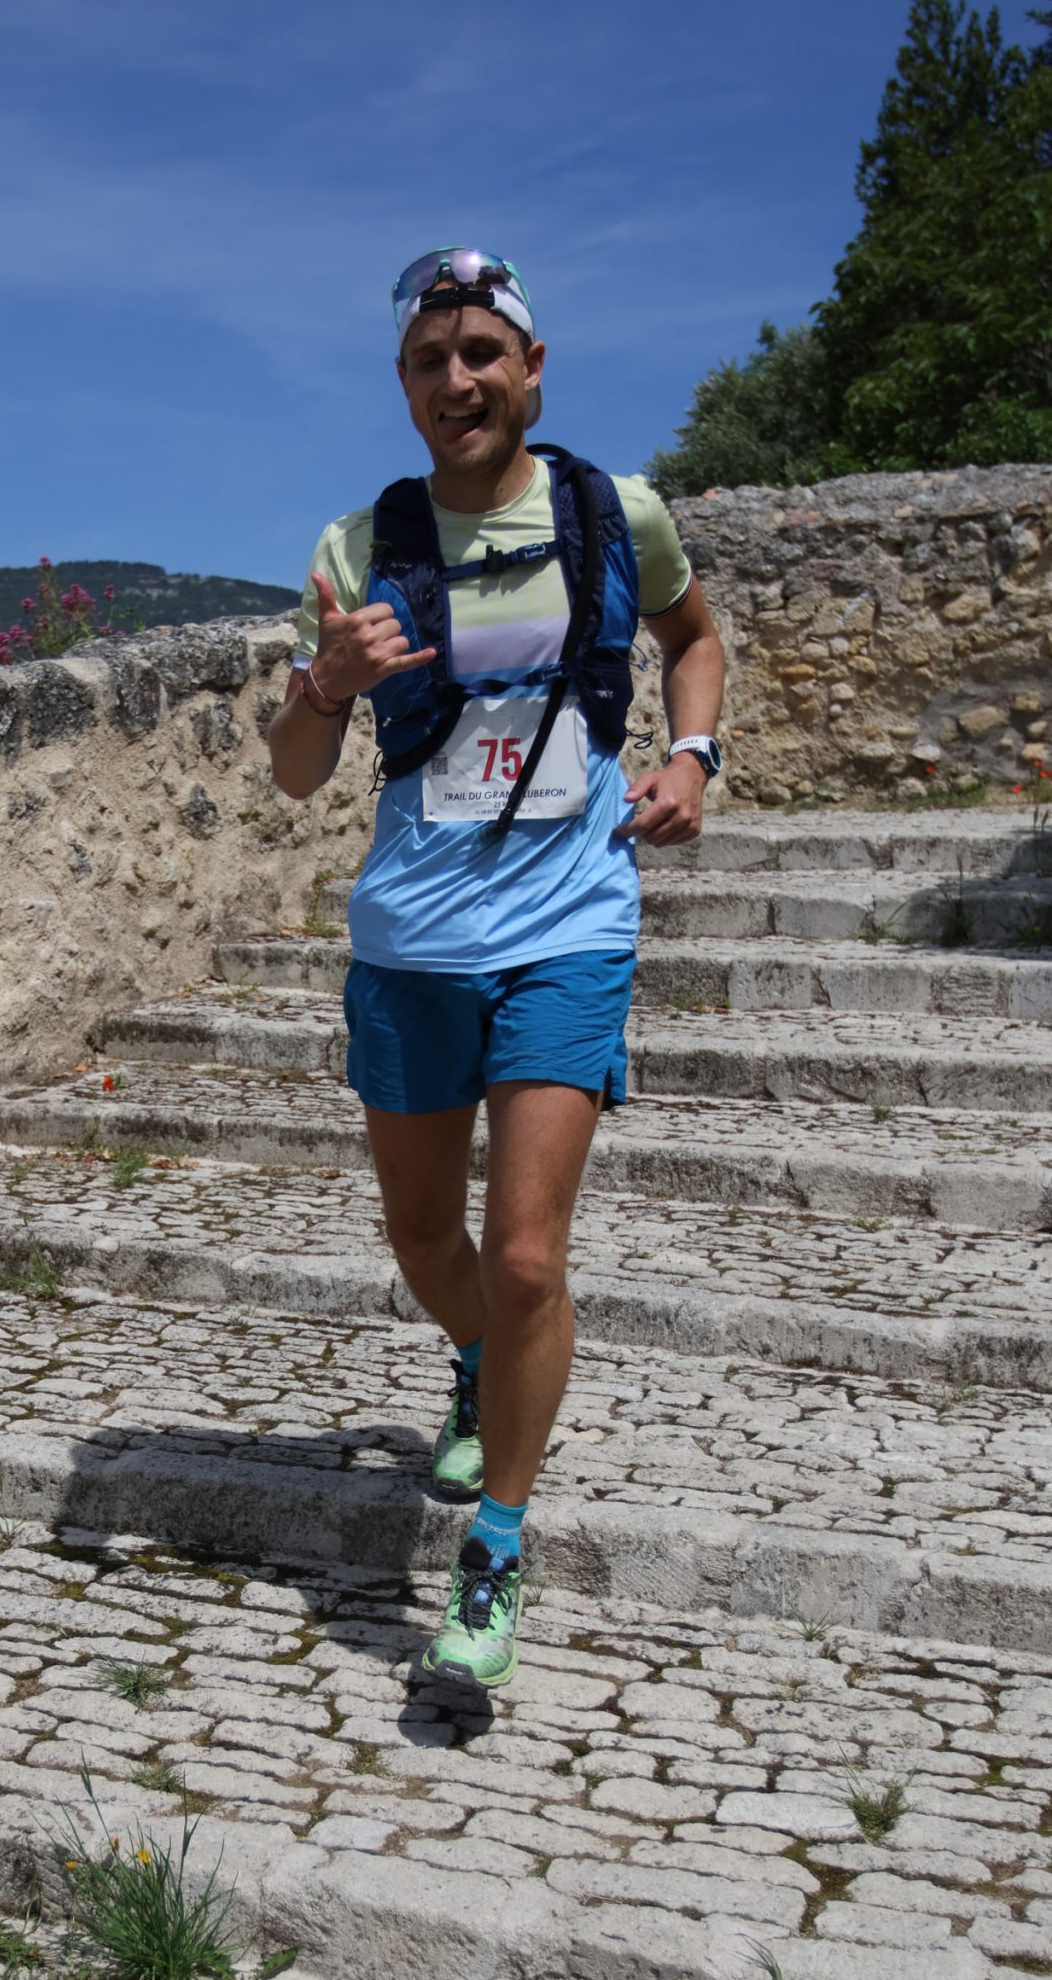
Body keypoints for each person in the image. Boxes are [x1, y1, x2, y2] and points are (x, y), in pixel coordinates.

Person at [269, 247, 725, 1692]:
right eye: (429, 361)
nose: (457, 380)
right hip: (413, 937)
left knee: (526, 1253)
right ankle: (474, 1360)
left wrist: (693, 756)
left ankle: (495, 1552)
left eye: (481, 354)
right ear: (403, 386)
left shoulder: (611, 512)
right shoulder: (359, 547)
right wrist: (327, 686)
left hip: (571, 924)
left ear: (531, 368)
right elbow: (294, 771)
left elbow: (693, 640)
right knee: (425, 1241)